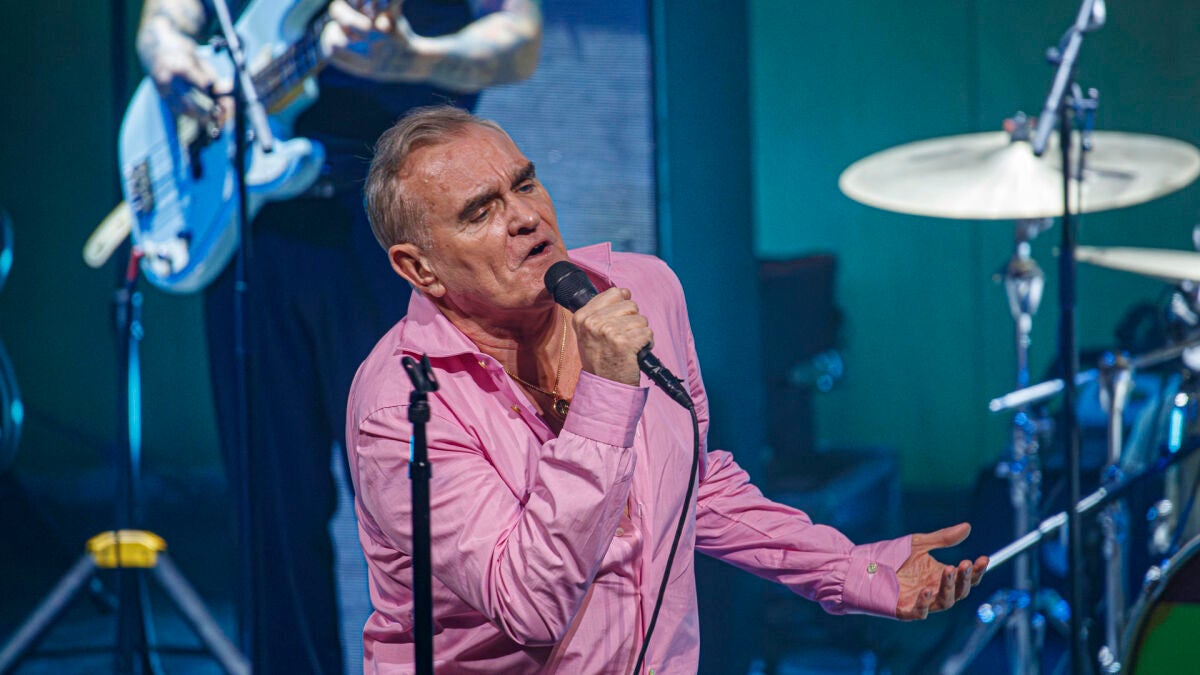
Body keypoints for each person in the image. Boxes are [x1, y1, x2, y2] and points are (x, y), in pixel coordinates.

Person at [346, 105, 990, 672]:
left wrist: (850, 568)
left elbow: (690, 485)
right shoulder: (401, 409)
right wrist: (605, 391)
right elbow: (533, 604)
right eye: (481, 211)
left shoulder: (642, 290)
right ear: (419, 268)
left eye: (525, 184)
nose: (525, 217)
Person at [134, 2, 543, 673]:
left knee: (430, 506)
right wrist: (165, 52)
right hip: (248, 230)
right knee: (270, 520)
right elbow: (169, 15)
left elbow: (519, 40)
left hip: (397, 224)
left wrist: (413, 57)